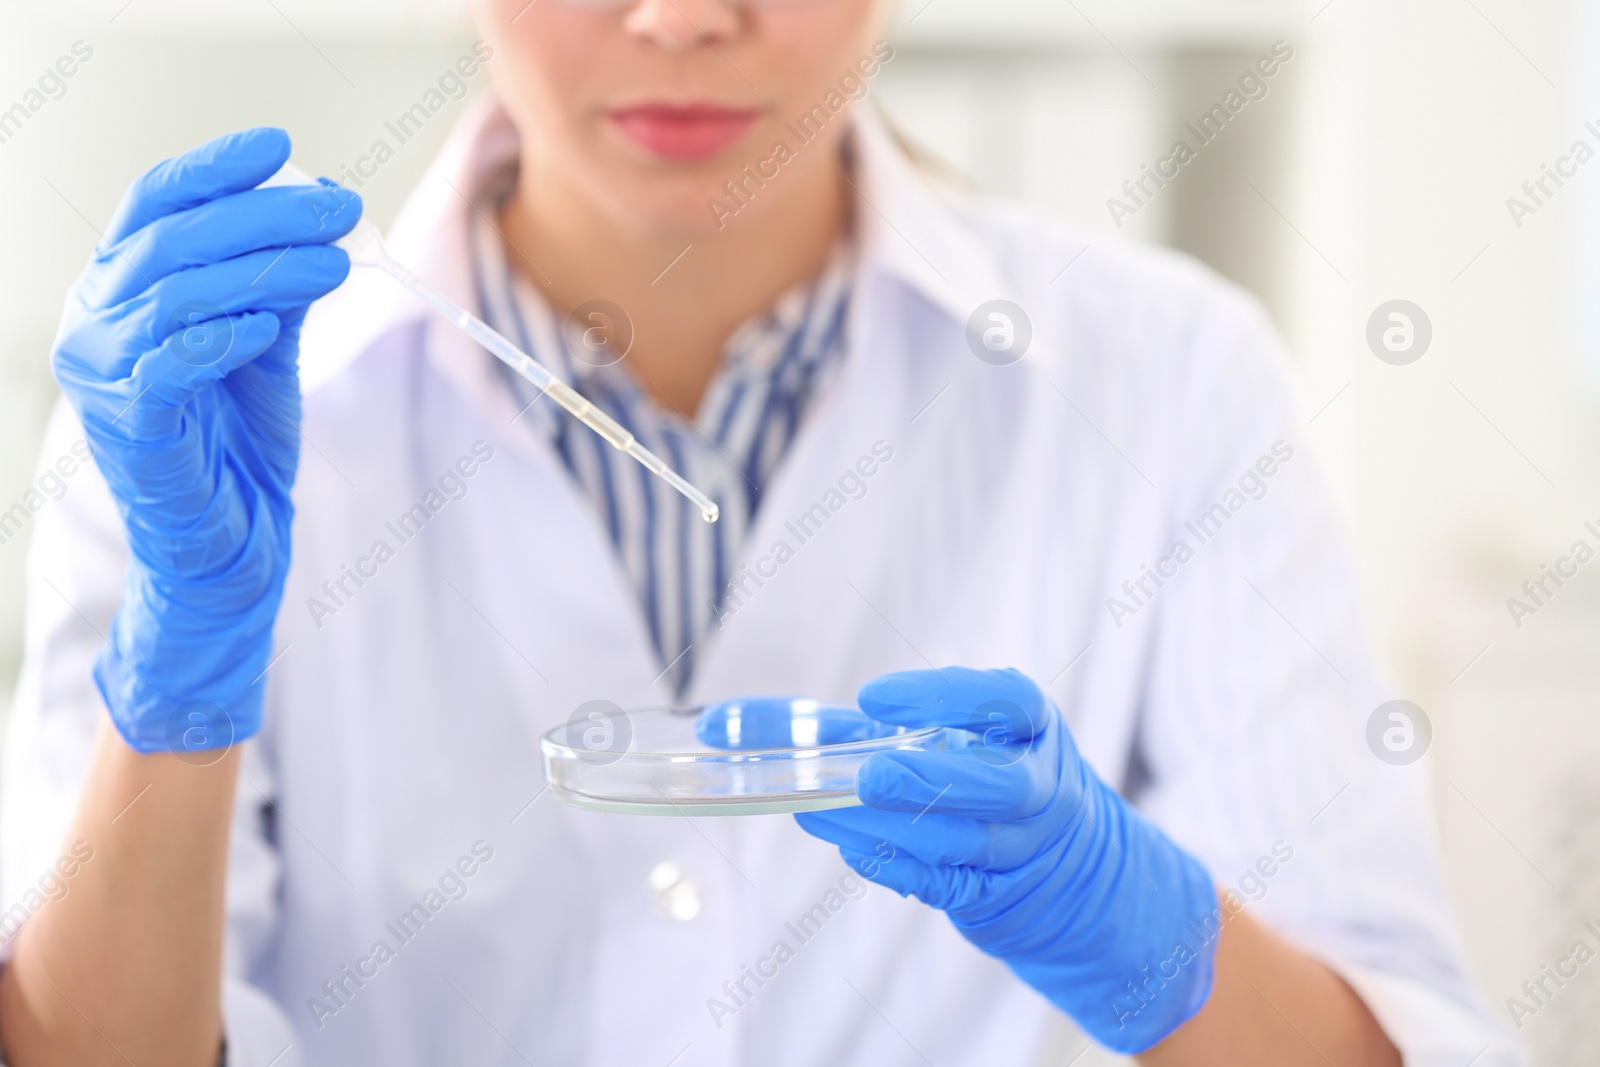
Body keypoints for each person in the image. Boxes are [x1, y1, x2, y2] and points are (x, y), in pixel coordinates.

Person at [0, 0, 1515, 1064]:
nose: (680, 14)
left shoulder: (1170, 380)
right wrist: (178, 683)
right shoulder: (202, 427)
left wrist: (1145, 944)